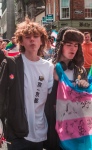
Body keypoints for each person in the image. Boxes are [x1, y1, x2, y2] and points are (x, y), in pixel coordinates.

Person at [0, 18, 54, 150]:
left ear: (41, 40)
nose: (32, 40)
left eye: (36, 37)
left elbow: (53, 98)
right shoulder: (11, 63)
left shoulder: (49, 67)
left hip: (41, 132)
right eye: (27, 37)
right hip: (17, 132)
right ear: (21, 41)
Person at [43, 28, 89, 150]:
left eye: (76, 45)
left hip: (74, 122)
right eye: (69, 45)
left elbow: (86, 101)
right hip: (53, 121)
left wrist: (84, 86)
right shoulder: (48, 67)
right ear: (60, 46)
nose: (73, 48)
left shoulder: (80, 70)